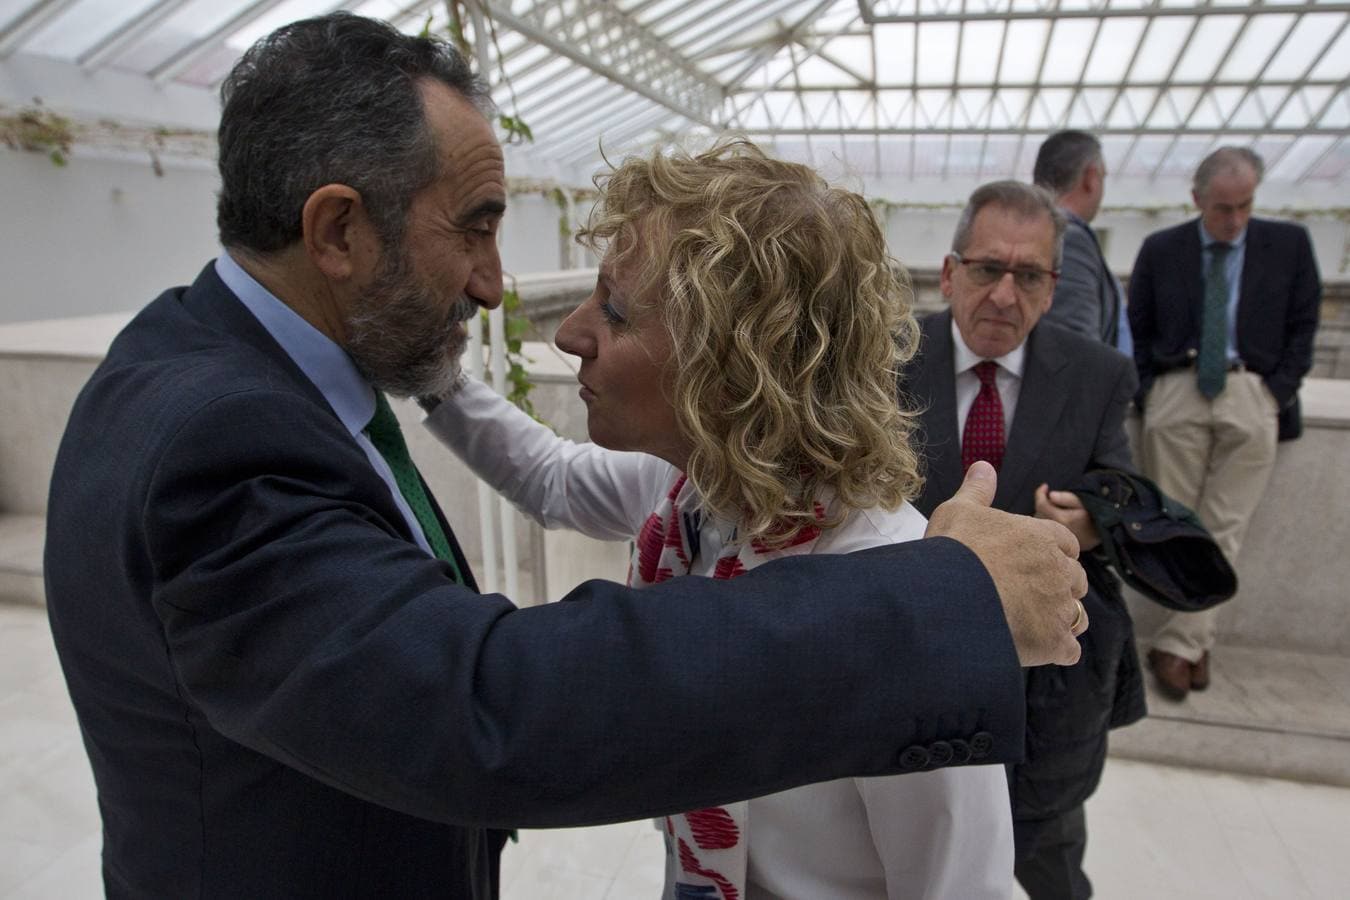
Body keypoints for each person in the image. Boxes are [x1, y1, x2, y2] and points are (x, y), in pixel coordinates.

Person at [43, 13, 1086, 899]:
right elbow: (486, 701)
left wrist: (929, 600)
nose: (515, 298)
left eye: (617, 308)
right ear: (337, 234)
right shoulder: (220, 441)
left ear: (731, 362)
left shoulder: (853, 548)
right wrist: (942, 608)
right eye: (476, 227)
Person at [425, 140, 1018, 898]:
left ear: (736, 362)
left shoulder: (901, 593)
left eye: (613, 309)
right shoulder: (696, 495)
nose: (571, 333)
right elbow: (553, 478)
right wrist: (432, 377)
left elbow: (961, 890)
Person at [902, 180, 1143, 899]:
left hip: (1048, 692)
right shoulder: (881, 362)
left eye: (1028, 275)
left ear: (1052, 287)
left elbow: (1122, 490)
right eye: (986, 270)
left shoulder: (1098, 375)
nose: (1005, 296)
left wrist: (1091, 521)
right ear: (949, 274)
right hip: (917, 670)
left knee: (1045, 860)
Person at [1128, 146, 1321, 700]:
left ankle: (1180, 644)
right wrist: (1148, 391)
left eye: (1244, 206)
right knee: (1177, 525)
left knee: (1225, 527)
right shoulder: (1162, 249)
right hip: (1176, 390)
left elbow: (1304, 325)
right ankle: (1191, 643)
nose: (1234, 220)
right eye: (1222, 208)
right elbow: (1136, 326)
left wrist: (1274, 393)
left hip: (1250, 391)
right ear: (1197, 200)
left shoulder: (1288, 245)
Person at [1033, 130, 1131, 355]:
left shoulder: (1037, 231)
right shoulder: (1067, 238)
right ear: (1090, 177)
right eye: (1103, 177)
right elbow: (1075, 342)